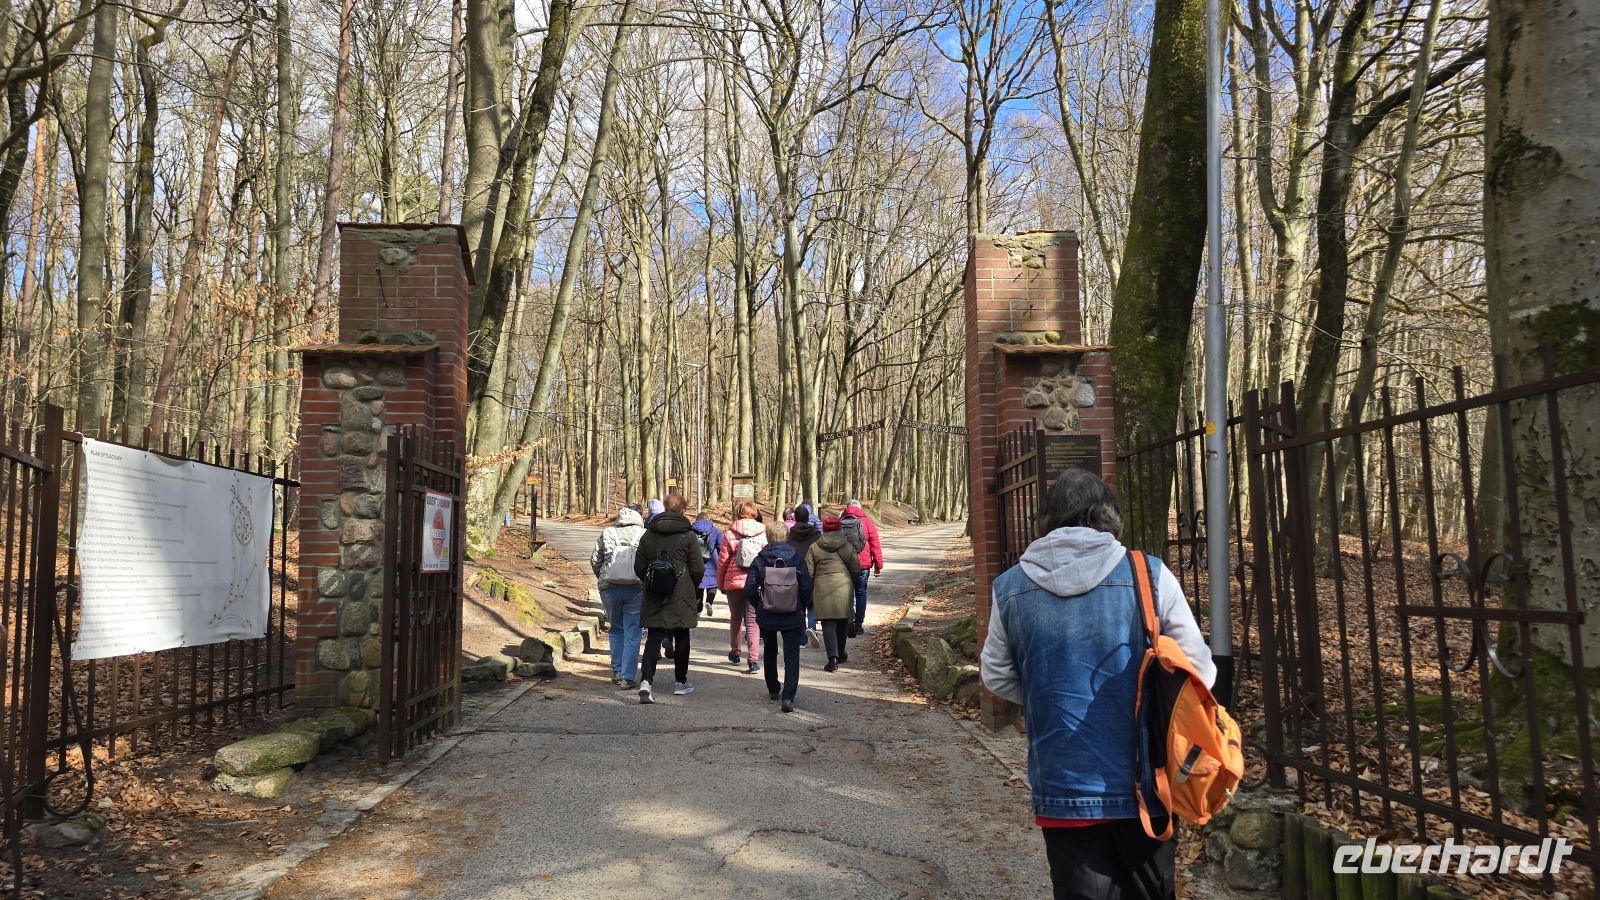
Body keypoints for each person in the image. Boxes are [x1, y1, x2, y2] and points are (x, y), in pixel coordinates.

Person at [980, 470, 1214, 900]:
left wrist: (1044, 694)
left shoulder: (1009, 587)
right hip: (1147, 778)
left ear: (1046, 518)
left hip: (1063, 780)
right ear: (1109, 515)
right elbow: (1199, 669)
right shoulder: (1149, 575)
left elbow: (995, 674)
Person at [633, 493, 705, 704]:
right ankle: (680, 683)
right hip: (681, 593)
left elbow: (639, 566)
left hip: (655, 593)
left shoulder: (649, 534)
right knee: (682, 635)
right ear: (682, 510)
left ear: (665, 507)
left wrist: (652, 581)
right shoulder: (688, 536)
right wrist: (690, 585)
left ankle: (646, 681)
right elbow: (698, 568)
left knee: (654, 636)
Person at [746, 521, 812, 712]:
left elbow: (749, 588)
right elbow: (806, 585)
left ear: (768, 537)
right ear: (786, 536)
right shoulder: (796, 557)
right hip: (792, 613)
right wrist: (802, 605)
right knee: (792, 654)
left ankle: (773, 688)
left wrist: (759, 605)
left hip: (768, 614)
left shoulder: (760, 559)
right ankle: (788, 696)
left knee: (770, 649)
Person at [589, 505, 647, 687]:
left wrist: (604, 577)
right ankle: (627, 677)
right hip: (636, 588)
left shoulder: (607, 532)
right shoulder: (644, 534)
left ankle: (617, 670)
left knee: (616, 628)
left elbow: (595, 560)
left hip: (609, 588)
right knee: (633, 631)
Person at [716, 499, 766, 674]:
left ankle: (736, 652)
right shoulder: (762, 532)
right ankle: (753, 660)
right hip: (754, 581)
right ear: (754, 513)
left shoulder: (730, 532)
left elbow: (723, 561)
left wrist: (721, 583)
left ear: (738, 513)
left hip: (734, 581)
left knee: (736, 618)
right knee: (753, 621)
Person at [806, 515, 861, 671]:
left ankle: (833, 659)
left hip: (822, 587)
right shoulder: (847, 546)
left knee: (828, 622)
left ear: (823, 529)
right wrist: (850, 580)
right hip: (843, 585)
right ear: (839, 528)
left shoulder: (814, 547)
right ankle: (841, 653)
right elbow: (856, 568)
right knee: (842, 620)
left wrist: (813, 585)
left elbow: (809, 571)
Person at [839, 499, 884, 637]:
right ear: (860, 508)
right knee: (861, 593)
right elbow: (875, 544)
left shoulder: (839, 521)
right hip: (862, 565)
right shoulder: (867, 522)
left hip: (844, 563)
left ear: (847, 508)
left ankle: (848, 621)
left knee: (846, 593)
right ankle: (858, 625)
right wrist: (878, 565)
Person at [787, 502, 823, 646]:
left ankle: (802, 637)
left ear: (795, 518)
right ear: (808, 517)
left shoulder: (789, 536)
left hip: (795, 573)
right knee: (812, 603)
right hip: (812, 572)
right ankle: (812, 628)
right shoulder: (816, 535)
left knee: (799, 605)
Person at [691, 512, 722, 615]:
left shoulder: (691, 531)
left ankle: (698, 609)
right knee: (713, 585)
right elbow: (721, 547)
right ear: (709, 520)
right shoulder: (715, 531)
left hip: (696, 563)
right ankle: (709, 601)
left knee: (698, 587)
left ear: (697, 520)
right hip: (712, 563)